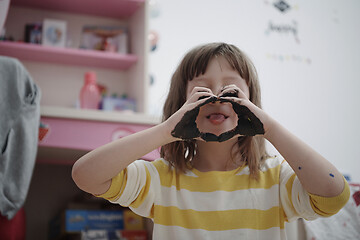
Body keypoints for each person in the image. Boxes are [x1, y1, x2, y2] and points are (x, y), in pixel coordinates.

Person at [72, 42, 350, 239]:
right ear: (182, 104)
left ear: (252, 103)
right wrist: (167, 129)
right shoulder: (162, 180)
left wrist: (271, 129)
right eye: (202, 90)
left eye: (232, 89)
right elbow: (86, 175)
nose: (218, 98)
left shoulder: (276, 179)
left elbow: (333, 197)